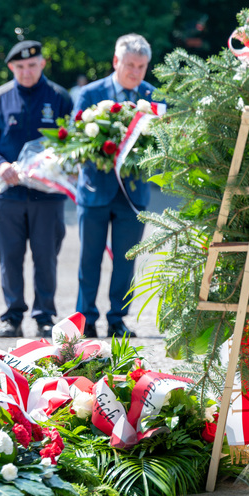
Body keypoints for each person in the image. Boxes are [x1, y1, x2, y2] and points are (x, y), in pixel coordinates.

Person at [0, 40, 73, 338]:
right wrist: (0, 165)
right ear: (11, 68)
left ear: (42, 63)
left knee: (46, 257)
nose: (26, 71)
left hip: (48, 196)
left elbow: (75, 140)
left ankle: (45, 316)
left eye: (32, 65)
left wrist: (54, 164)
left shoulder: (59, 97)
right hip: (8, 195)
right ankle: (13, 316)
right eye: (20, 67)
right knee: (9, 257)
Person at [72, 33, 156, 338]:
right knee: (89, 258)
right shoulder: (91, 93)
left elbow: (163, 143)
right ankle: (86, 319)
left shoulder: (152, 97)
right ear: (115, 62)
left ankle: (118, 318)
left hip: (133, 195)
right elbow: (76, 137)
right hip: (95, 190)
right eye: (130, 65)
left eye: (142, 66)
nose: (135, 71)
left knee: (125, 260)